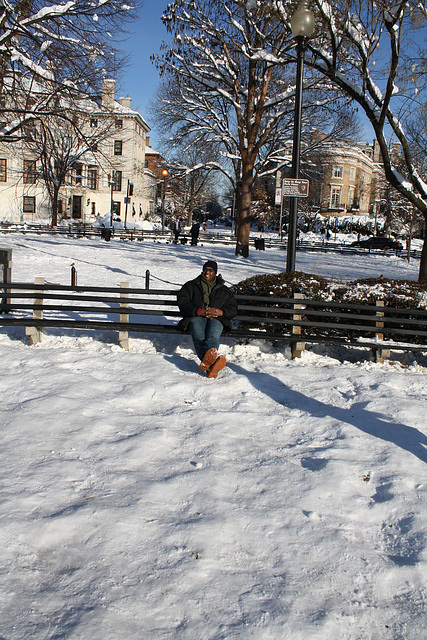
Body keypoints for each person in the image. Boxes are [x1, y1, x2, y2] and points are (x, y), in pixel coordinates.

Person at [177, 260, 238, 378]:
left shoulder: (224, 290)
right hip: (197, 316)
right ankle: (212, 366)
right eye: (205, 269)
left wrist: (221, 312)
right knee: (198, 335)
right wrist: (199, 311)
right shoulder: (191, 285)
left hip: (217, 319)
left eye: (210, 270)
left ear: (215, 272)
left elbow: (233, 308)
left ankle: (208, 364)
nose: (207, 272)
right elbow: (183, 302)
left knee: (213, 335)